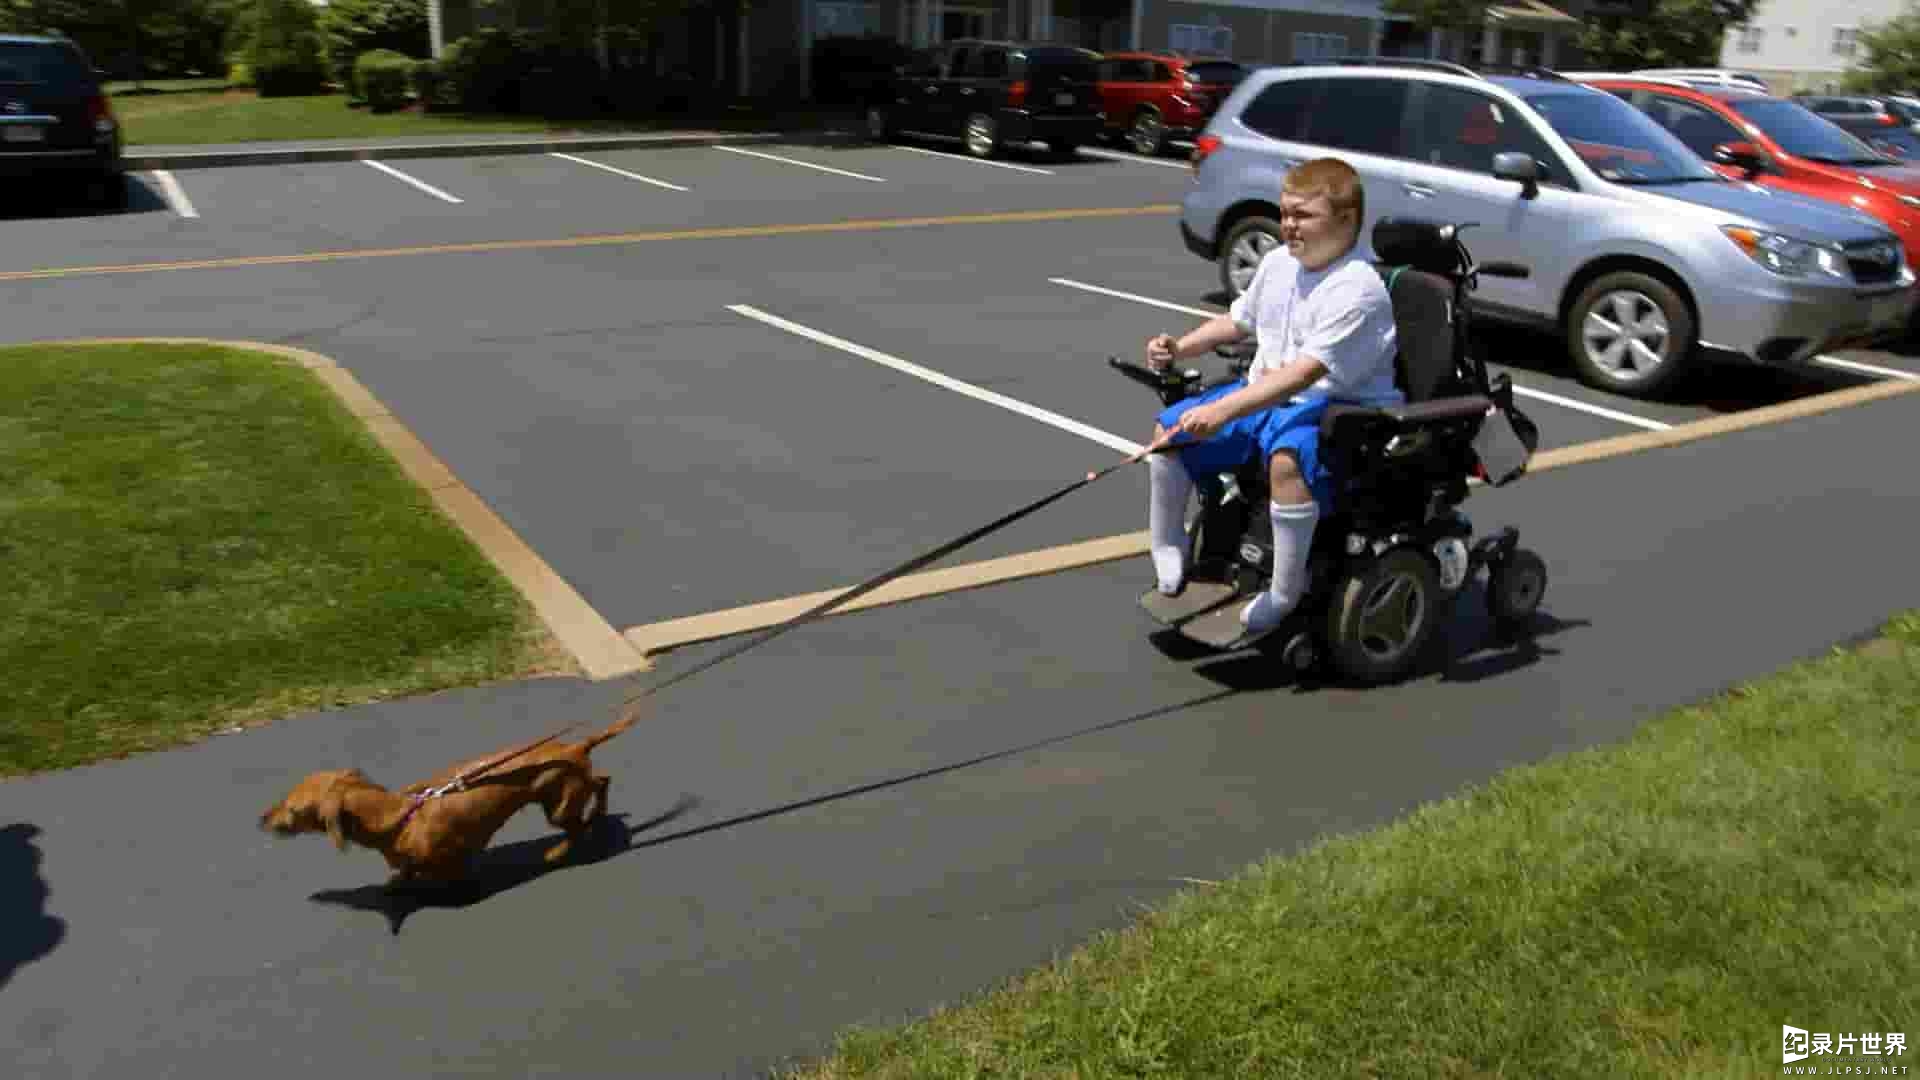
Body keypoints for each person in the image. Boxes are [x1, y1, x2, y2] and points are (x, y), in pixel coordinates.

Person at [1143, 157, 1402, 635]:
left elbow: (1304, 376)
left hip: (1339, 408)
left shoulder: (1358, 289)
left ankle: (1284, 592)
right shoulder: (1279, 263)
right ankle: (1168, 544)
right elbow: (1238, 320)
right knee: (1169, 434)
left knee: (1286, 462)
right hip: (1267, 391)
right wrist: (1180, 346)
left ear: (1345, 221)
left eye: (1303, 216)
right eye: (1285, 213)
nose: (1288, 225)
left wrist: (1221, 410)